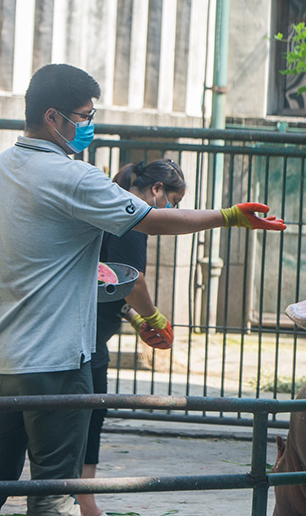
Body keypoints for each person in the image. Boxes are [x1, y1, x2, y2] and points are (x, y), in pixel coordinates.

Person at [0, 64, 286, 516]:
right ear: (53, 117)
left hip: (3, 361)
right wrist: (229, 216)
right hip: (53, 362)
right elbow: (155, 220)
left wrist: (137, 317)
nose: (90, 125)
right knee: (53, 495)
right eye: (85, 116)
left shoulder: (3, 166)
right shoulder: (74, 177)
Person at [75, 159, 187, 516]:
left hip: (86, 330)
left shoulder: (111, 209)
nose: (173, 210)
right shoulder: (133, 219)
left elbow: (107, 280)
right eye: (173, 201)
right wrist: (153, 316)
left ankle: (76, 497)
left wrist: (135, 320)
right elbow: (133, 281)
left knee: (85, 413)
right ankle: (82, 500)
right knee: (87, 415)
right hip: (84, 338)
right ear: (156, 191)